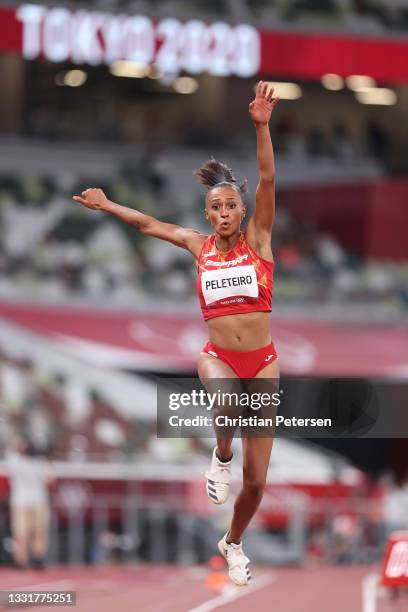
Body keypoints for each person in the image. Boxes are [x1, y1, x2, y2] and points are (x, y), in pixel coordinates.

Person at [73, 81, 280, 585]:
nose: (226, 213)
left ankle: (232, 543)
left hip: (265, 363)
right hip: (219, 358)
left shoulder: (259, 242)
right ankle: (219, 456)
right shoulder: (197, 245)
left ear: (242, 210)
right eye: (217, 208)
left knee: (256, 484)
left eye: (233, 205)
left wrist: (261, 126)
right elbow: (147, 225)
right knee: (227, 400)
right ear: (208, 215)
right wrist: (108, 207)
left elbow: (268, 177)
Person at [5, 435, 54, 569]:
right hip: (36, 501)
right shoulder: (39, 462)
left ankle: (22, 560)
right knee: (36, 532)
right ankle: (36, 559)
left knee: (24, 533)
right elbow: (50, 479)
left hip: (22, 502)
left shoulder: (16, 460)